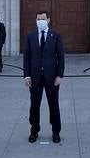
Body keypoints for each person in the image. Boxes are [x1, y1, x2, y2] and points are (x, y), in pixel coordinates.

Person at [23, 10, 65, 144]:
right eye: (38, 19)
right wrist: (27, 76)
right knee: (34, 105)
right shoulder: (30, 36)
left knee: (54, 105)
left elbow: (61, 57)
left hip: (52, 77)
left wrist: (59, 75)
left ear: (48, 20)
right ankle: (34, 130)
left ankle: (56, 132)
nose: (40, 22)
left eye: (42, 19)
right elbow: (27, 58)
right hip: (35, 78)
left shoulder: (56, 36)